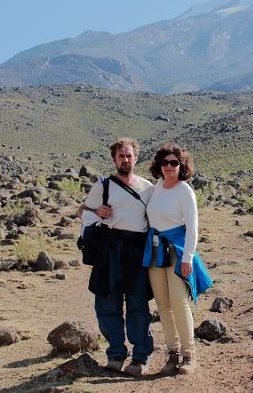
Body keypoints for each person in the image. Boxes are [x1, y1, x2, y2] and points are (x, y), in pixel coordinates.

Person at [77, 138, 154, 376]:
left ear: (136, 157)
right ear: (114, 159)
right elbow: (82, 211)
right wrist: (96, 211)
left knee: (138, 304)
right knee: (107, 303)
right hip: (110, 249)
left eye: (129, 155)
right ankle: (116, 354)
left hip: (137, 250)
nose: (125, 159)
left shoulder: (148, 188)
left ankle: (140, 358)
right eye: (121, 156)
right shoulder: (103, 186)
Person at [143, 142, 213, 375]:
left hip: (177, 250)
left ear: (181, 165)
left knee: (179, 301)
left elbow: (193, 228)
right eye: (165, 163)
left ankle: (189, 354)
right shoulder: (156, 188)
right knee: (162, 304)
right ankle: (172, 353)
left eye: (174, 163)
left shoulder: (185, 190)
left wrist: (187, 259)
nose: (169, 167)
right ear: (159, 166)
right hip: (155, 250)